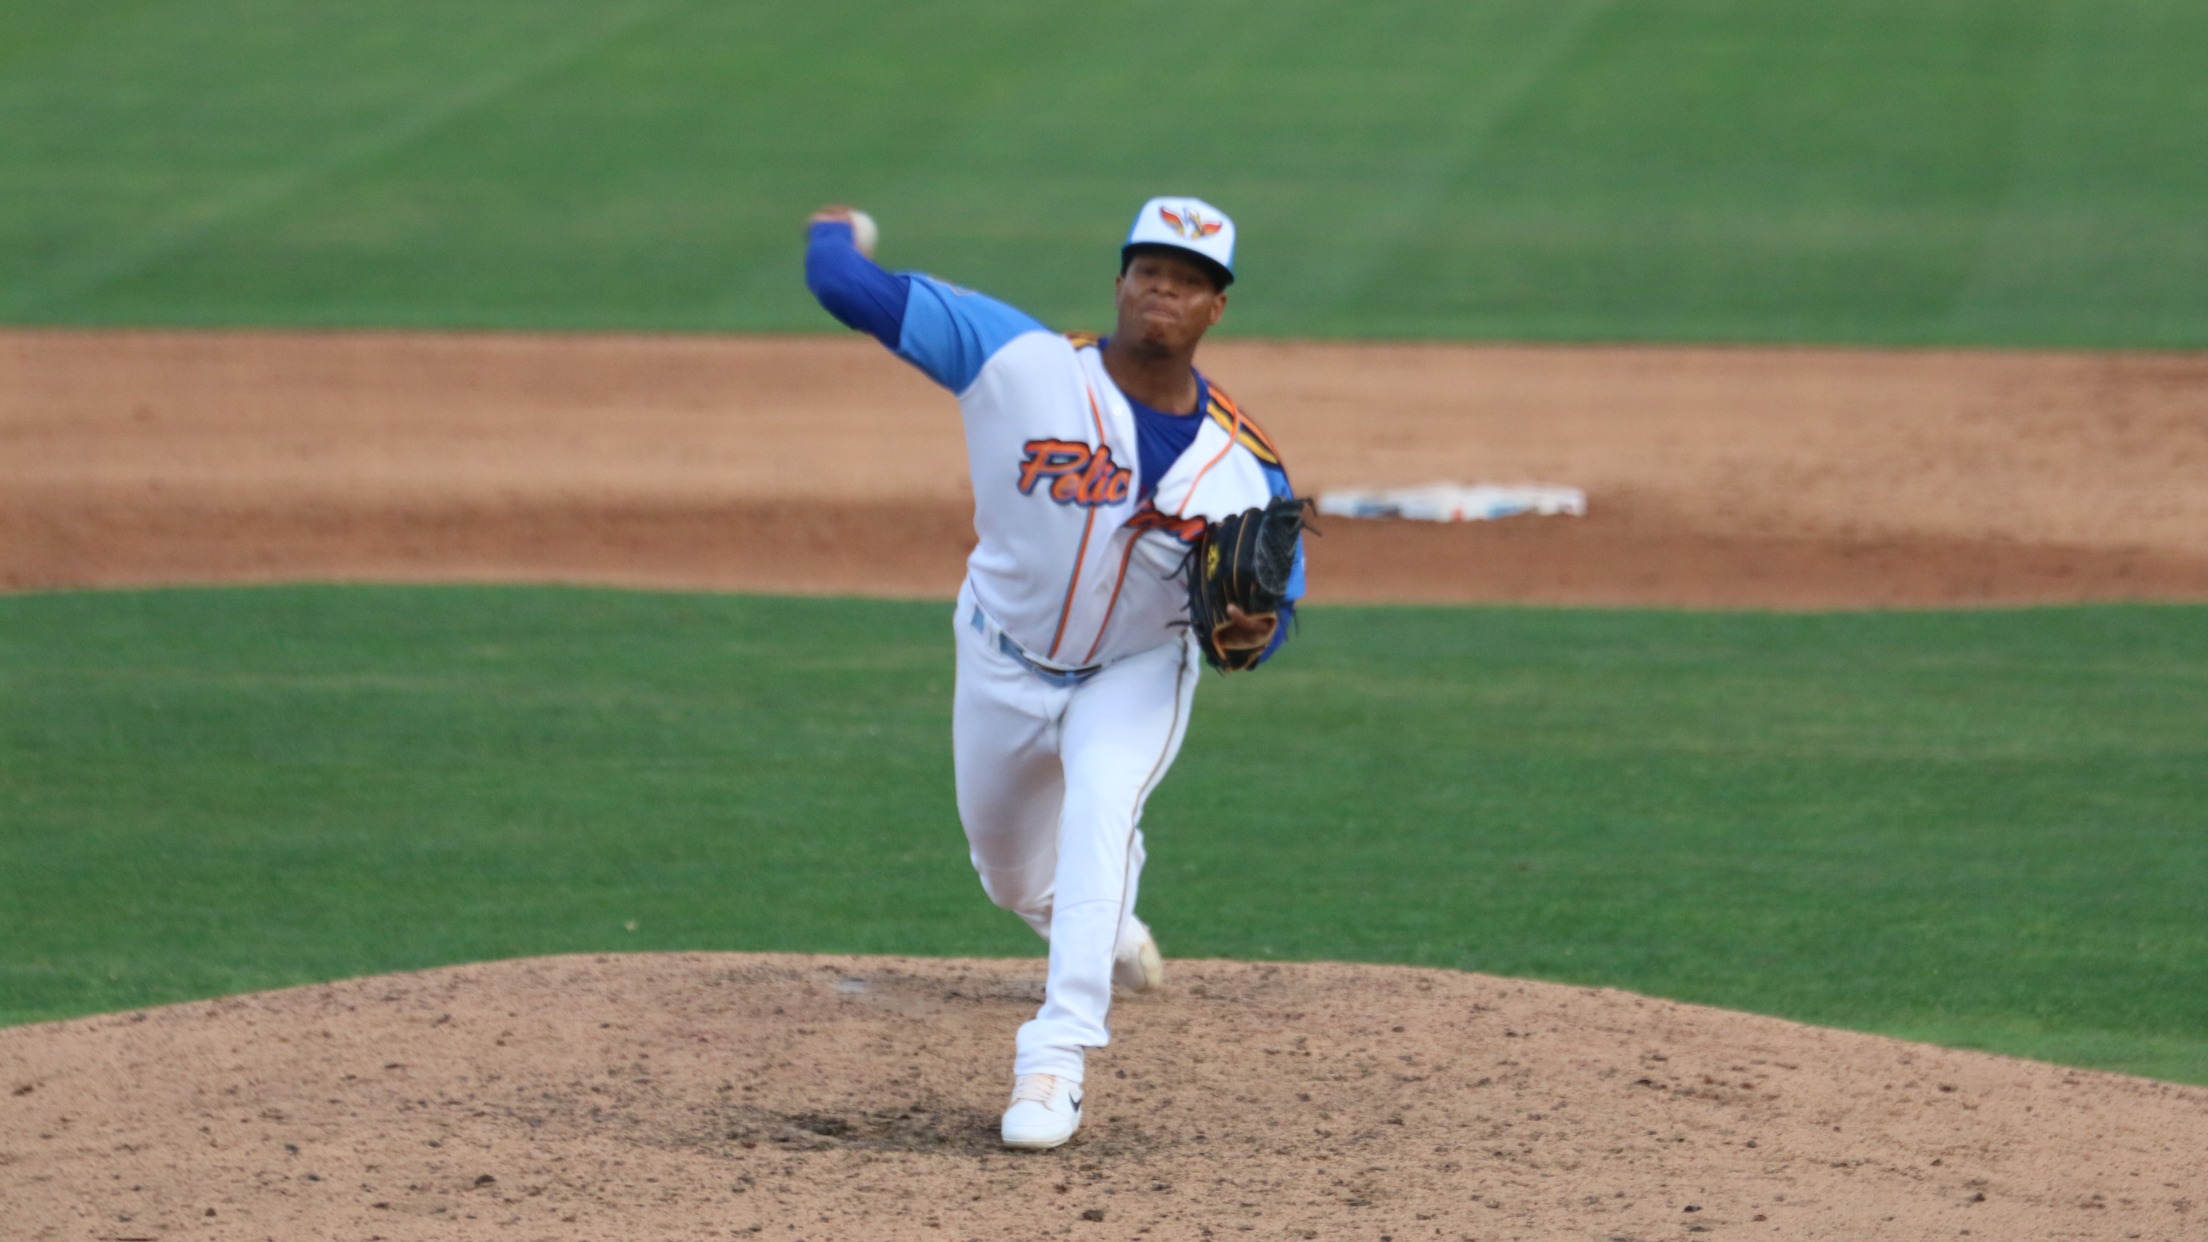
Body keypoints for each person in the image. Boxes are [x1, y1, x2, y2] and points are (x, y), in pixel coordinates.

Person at [803, 196, 1305, 1149]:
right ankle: (1105, 925)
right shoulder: (1019, 362)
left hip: (1135, 672)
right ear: (1120, 281)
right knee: (1009, 878)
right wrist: (833, 229)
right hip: (999, 658)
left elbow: (1272, 616)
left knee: (1099, 807)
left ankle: (1055, 1060)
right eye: (1151, 270)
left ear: (1216, 308)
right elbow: (841, 285)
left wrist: (1252, 632)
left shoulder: (1246, 467)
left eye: (1190, 280)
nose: (1165, 290)